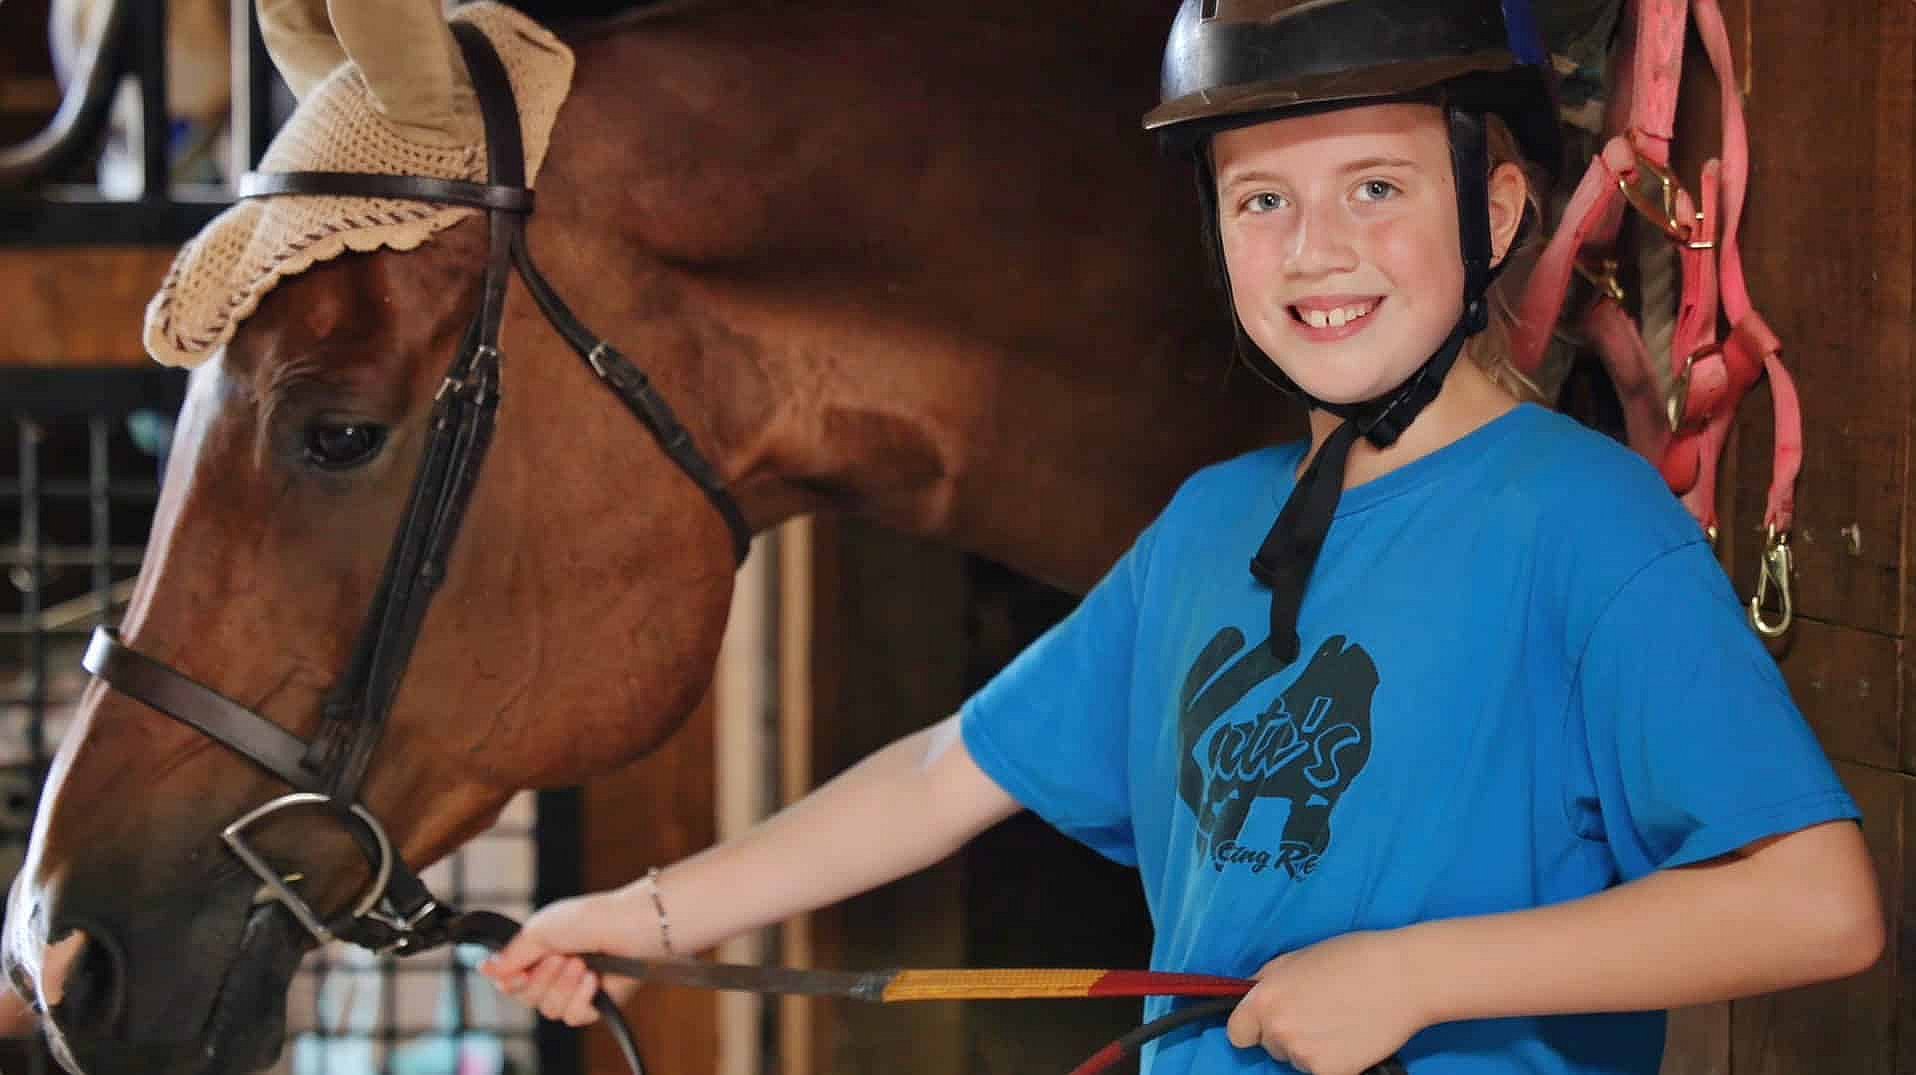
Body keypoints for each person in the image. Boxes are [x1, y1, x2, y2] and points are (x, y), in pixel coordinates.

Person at [480, 2, 1885, 1072]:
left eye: (1377, 188)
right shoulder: (1212, 526)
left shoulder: (1582, 522)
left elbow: (1818, 906)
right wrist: (648, 916)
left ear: (1499, 206)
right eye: (1261, 200)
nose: (1317, 251)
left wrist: (1416, 977)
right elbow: (939, 773)